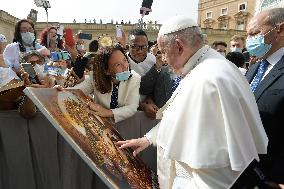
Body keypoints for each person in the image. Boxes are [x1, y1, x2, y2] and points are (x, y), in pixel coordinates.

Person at [117, 15, 268, 189]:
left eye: (164, 52)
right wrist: (148, 139)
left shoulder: (209, 80)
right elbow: (180, 117)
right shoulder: (201, 67)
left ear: (179, 47)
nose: (163, 60)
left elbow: (214, 173)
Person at [245, 8, 284, 186]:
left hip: (271, 177)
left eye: (255, 33)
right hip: (243, 169)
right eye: (247, 35)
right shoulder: (253, 69)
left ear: (280, 30)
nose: (249, 41)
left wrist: (278, 178)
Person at [64, 44, 140, 123]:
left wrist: (107, 112)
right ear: (107, 71)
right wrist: (62, 90)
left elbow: (132, 107)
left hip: (124, 124)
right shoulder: (96, 78)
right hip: (100, 123)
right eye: (118, 64)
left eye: (124, 60)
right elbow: (77, 91)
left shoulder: (134, 78)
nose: (125, 66)